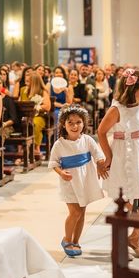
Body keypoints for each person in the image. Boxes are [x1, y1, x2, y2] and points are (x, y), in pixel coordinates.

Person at [98, 69, 139, 259]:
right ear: (134, 89)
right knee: (125, 202)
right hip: (124, 154)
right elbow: (101, 132)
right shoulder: (117, 109)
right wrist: (108, 156)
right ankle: (118, 243)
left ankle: (134, 238)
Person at [48, 105, 107, 257]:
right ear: (63, 124)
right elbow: (53, 163)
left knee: (82, 212)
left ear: (84, 123)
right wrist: (61, 173)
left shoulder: (87, 140)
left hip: (85, 180)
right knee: (75, 212)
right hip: (70, 181)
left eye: (78, 122)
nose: (75, 126)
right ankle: (67, 240)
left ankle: (76, 241)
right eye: (70, 123)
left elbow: (98, 155)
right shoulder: (59, 144)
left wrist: (100, 164)